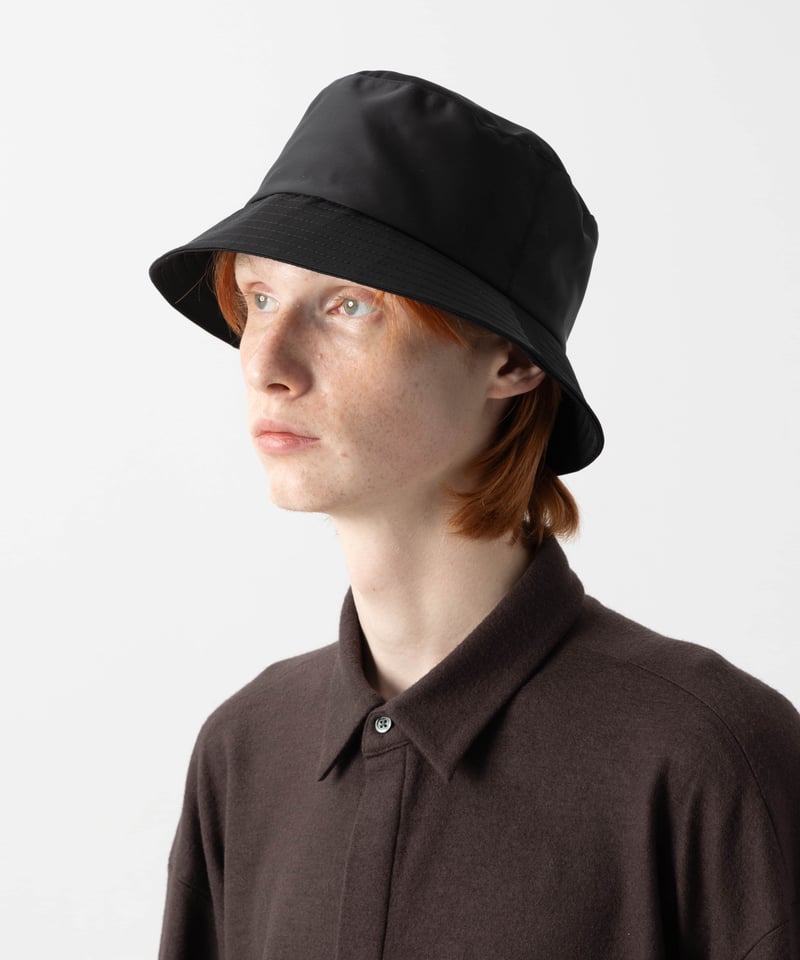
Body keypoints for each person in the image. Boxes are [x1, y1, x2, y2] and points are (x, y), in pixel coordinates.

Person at [149, 71, 800, 959]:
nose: (266, 362)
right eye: (259, 298)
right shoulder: (245, 751)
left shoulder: (709, 758)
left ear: (512, 362)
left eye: (348, 305)